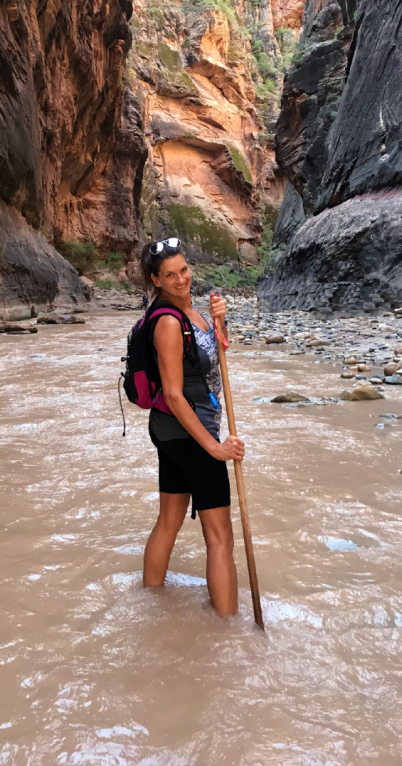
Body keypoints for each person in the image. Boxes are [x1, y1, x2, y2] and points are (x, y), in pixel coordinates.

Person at [139, 237, 245, 617]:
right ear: (156, 279)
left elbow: (219, 352)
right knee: (220, 538)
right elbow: (172, 394)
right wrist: (213, 448)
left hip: (171, 434)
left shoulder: (192, 313)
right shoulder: (168, 322)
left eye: (183, 270)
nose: (181, 279)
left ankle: (149, 603)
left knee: (169, 520)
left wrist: (220, 320)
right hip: (191, 434)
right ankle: (228, 629)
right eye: (170, 275)